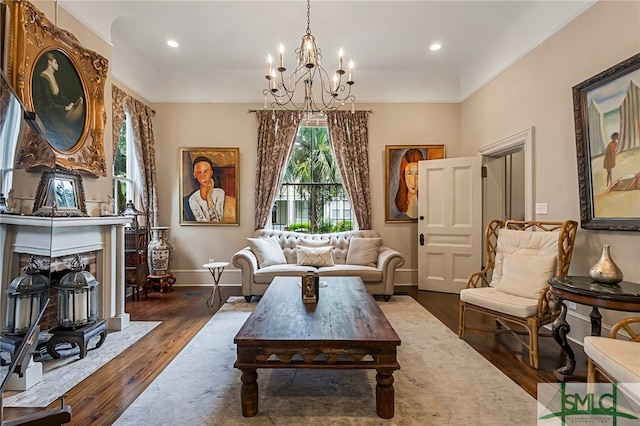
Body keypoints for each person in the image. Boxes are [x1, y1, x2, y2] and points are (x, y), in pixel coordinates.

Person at [33, 52, 84, 150]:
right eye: (55, 62)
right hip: (47, 112)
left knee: (70, 133)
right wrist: (65, 108)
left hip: (55, 110)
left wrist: (73, 103)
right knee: (67, 136)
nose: (57, 65)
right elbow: (49, 103)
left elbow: (60, 96)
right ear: (50, 62)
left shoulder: (52, 77)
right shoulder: (43, 79)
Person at [187, 156, 226, 222]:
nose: (203, 176)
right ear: (194, 174)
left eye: (206, 172)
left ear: (211, 172)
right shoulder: (193, 199)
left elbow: (217, 222)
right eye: (199, 172)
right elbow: (202, 223)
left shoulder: (220, 193)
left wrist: (209, 197)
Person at [394, 149, 424, 219]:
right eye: (409, 174)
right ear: (403, 175)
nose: (413, 181)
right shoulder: (399, 217)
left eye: (417, 174)